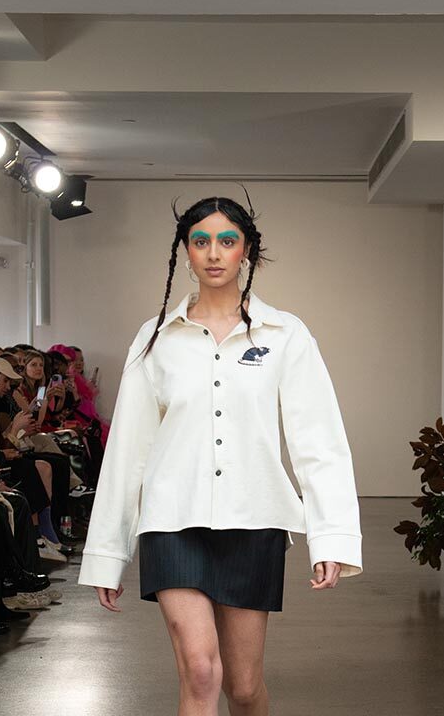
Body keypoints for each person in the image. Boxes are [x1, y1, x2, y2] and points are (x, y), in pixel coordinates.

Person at [78, 195, 363, 715]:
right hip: (171, 521)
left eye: (227, 241)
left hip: (254, 521)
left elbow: (318, 439)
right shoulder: (156, 338)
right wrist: (107, 553)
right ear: (185, 251)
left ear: (246, 250)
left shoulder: (285, 334)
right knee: (202, 671)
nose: (214, 253)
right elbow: (128, 448)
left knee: (245, 688)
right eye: (201, 241)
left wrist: (332, 536)